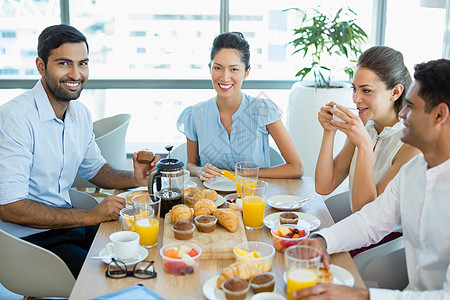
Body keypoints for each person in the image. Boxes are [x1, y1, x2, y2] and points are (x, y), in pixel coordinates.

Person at [0, 24, 159, 278]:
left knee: (146, 253)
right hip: (29, 242)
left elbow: (95, 169)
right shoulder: (15, 119)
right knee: (111, 279)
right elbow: (10, 206)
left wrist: (134, 178)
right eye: (64, 63)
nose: (76, 74)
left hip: (70, 225)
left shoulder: (79, 113)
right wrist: (89, 216)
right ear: (41, 66)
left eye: (82, 63)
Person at [295, 59, 450, 299]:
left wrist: (362, 296)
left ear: (440, 114)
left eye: (410, 106)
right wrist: (322, 240)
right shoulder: (414, 172)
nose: (403, 113)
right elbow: (371, 220)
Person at [177, 32, 304, 180]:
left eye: (234, 69)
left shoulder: (263, 110)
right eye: (217, 68)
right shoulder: (195, 114)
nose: (225, 77)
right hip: (211, 199)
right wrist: (199, 171)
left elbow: (297, 168)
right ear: (210, 68)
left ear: (246, 72)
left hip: (253, 197)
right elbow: (191, 164)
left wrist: (243, 174)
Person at [315, 46, 420, 213]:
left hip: (385, 238)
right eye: (354, 89)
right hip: (355, 229)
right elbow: (324, 186)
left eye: (366, 90)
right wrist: (329, 132)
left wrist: (364, 146)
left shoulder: (412, 144)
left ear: (395, 92)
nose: (356, 98)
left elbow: (367, 214)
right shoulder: (365, 126)